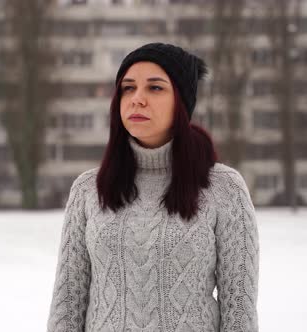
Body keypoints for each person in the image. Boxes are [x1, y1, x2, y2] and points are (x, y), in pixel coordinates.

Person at [46, 42, 259, 332]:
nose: (137, 99)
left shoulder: (224, 189)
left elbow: (239, 312)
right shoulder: (88, 189)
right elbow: (67, 305)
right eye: (128, 88)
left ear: (181, 102)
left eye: (155, 88)